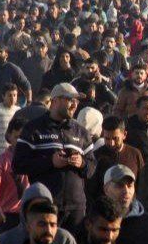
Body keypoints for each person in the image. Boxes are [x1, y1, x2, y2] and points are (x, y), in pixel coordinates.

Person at [14, 82, 96, 234]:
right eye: (70, 100)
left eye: (77, 101)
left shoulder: (81, 132)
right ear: (55, 101)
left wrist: (81, 163)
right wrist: (50, 162)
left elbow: (91, 168)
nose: (75, 104)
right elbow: (18, 164)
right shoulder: (33, 128)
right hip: (45, 206)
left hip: (76, 208)